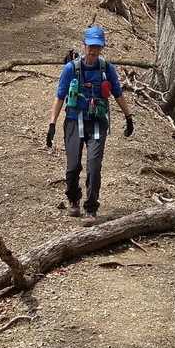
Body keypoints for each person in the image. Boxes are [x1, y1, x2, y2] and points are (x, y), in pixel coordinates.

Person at [46, 24, 134, 219]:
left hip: (97, 122)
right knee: (72, 167)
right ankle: (73, 199)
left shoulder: (107, 69)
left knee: (94, 166)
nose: (93, 50)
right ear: (84, 45)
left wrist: (128, 117)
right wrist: (52, 124)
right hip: (73, 120)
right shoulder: (71, 69)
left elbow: (118, 93)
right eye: (91, 46)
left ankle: (91, 208)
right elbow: (60, 96)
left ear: (102, 47)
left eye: (97, 46)